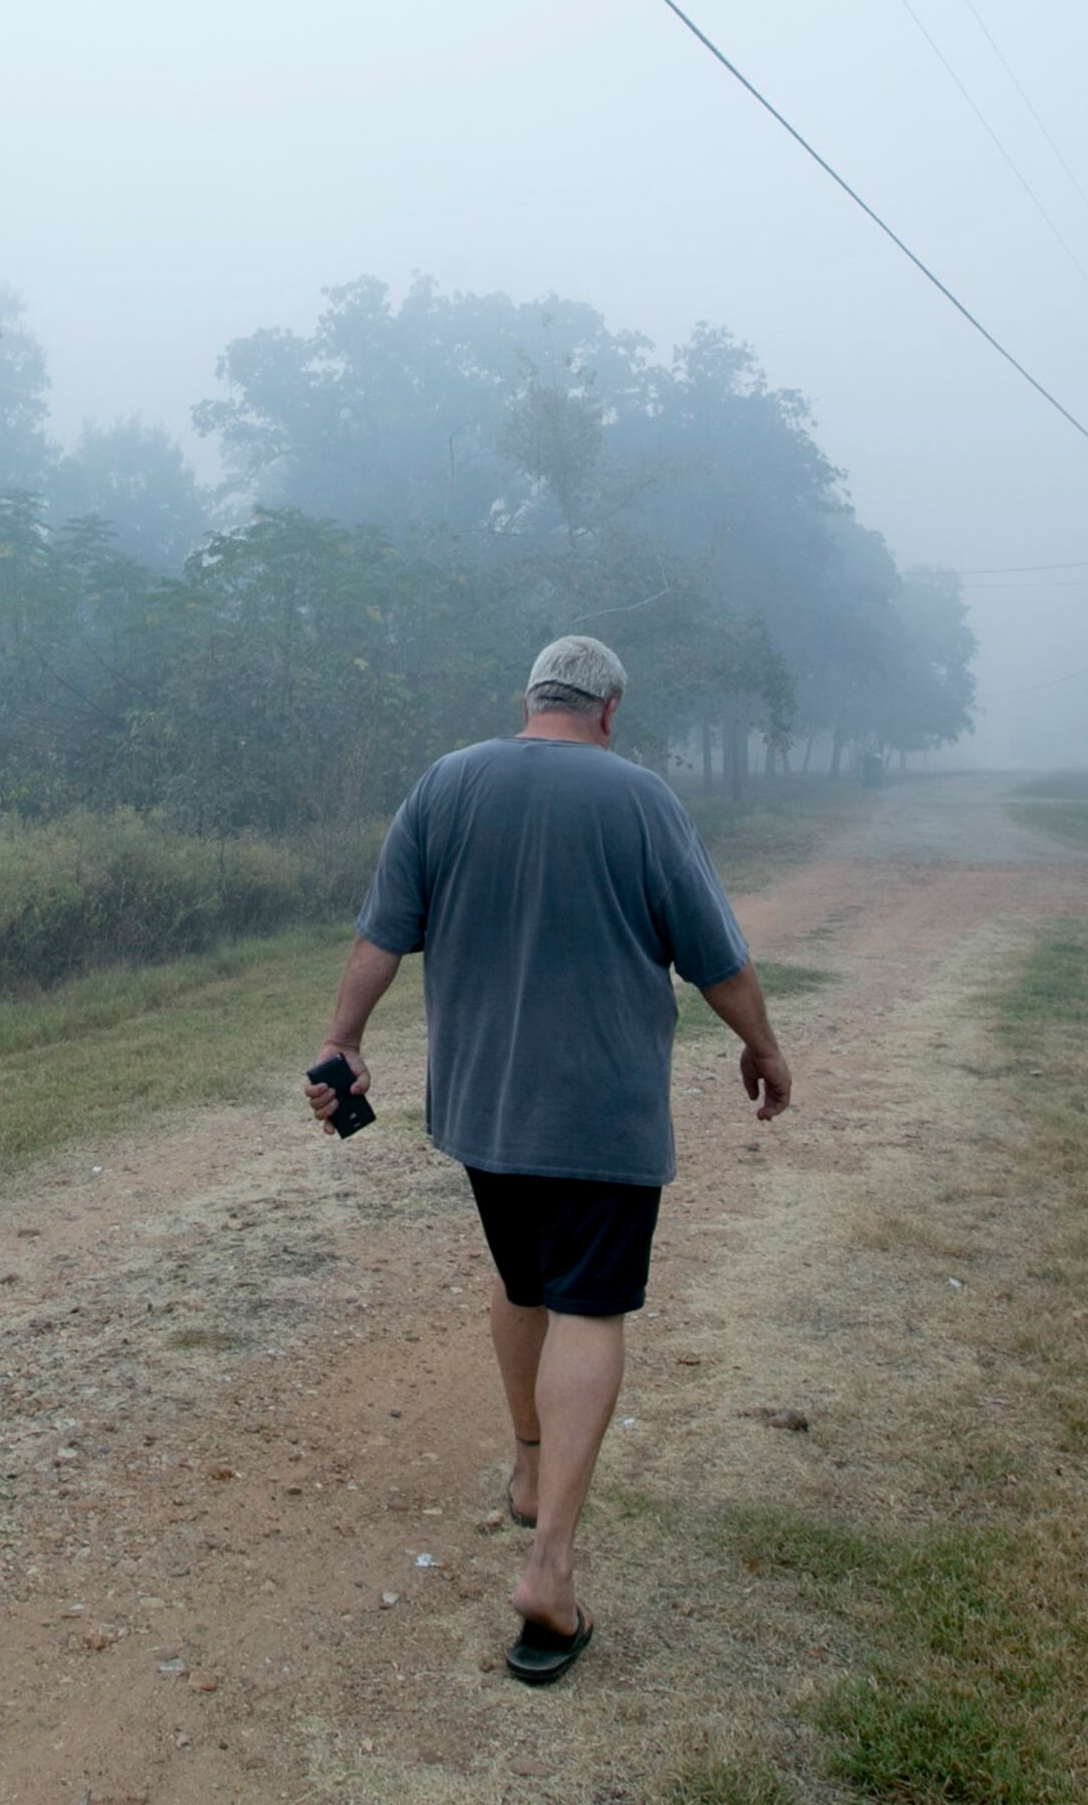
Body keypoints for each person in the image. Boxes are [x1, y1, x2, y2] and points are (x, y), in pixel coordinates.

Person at [304, 633, 793, 1685]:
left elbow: (380, 938)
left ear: (526, 700)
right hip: (603, 1117)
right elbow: (718, 957)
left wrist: (343, 1040)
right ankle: (550, 1568)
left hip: (485, 1109)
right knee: (588, 1305)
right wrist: (763, 1046)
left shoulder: (446, 785)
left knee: (523, 1277)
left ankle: (530, 1463)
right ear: (608, 711)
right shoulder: (640, 798)